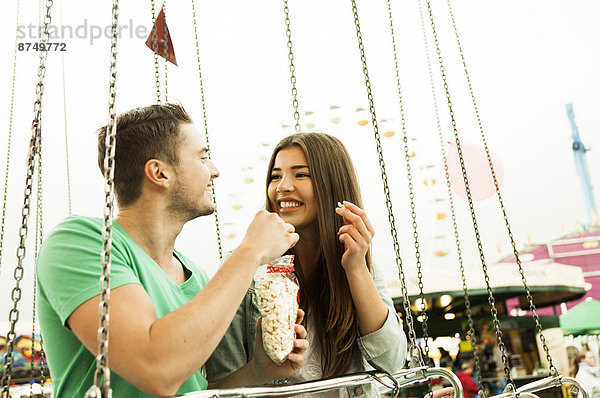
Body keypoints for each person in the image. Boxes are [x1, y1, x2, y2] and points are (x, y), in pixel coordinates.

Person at [36, 104, 309, 397]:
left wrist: (259, 371)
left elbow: (190, 391)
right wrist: (251, 251)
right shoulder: (80, 241)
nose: (214, 171)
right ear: (159, 173)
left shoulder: (196, 277)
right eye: (203, 157)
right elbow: (157, 370)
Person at [205, 132, 407, 397]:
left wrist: (356, 268)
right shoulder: (245, 265)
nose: (282, 187)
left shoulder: (358, 262)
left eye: (300, 175)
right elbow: (223, 385)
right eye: (276, 176)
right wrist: (261, 370)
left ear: (331, 184)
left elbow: (390, 362)